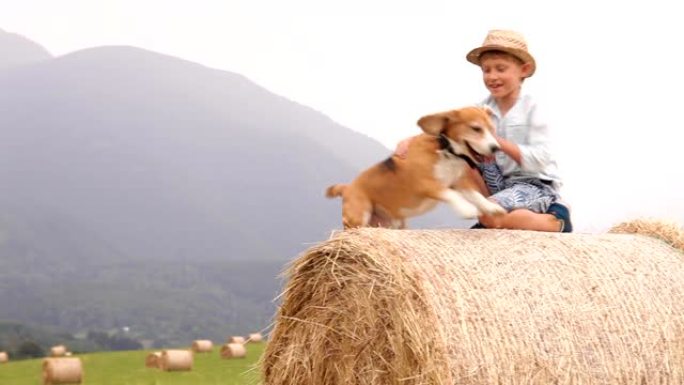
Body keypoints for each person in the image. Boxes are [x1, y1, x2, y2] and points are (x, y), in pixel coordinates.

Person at [397, 29, 572, 232]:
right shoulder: (480, 110)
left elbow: (540, 158)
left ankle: (554, 221)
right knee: (455, 154)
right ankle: (495, 215)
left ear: (523, 70)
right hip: (497, 183)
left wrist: (497, 142)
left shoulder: (532, 111)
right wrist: (412, 141)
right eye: (486, 70)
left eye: (500, 69)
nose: (492, 76)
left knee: (489, 215)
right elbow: (452, 130)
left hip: (532, 186)